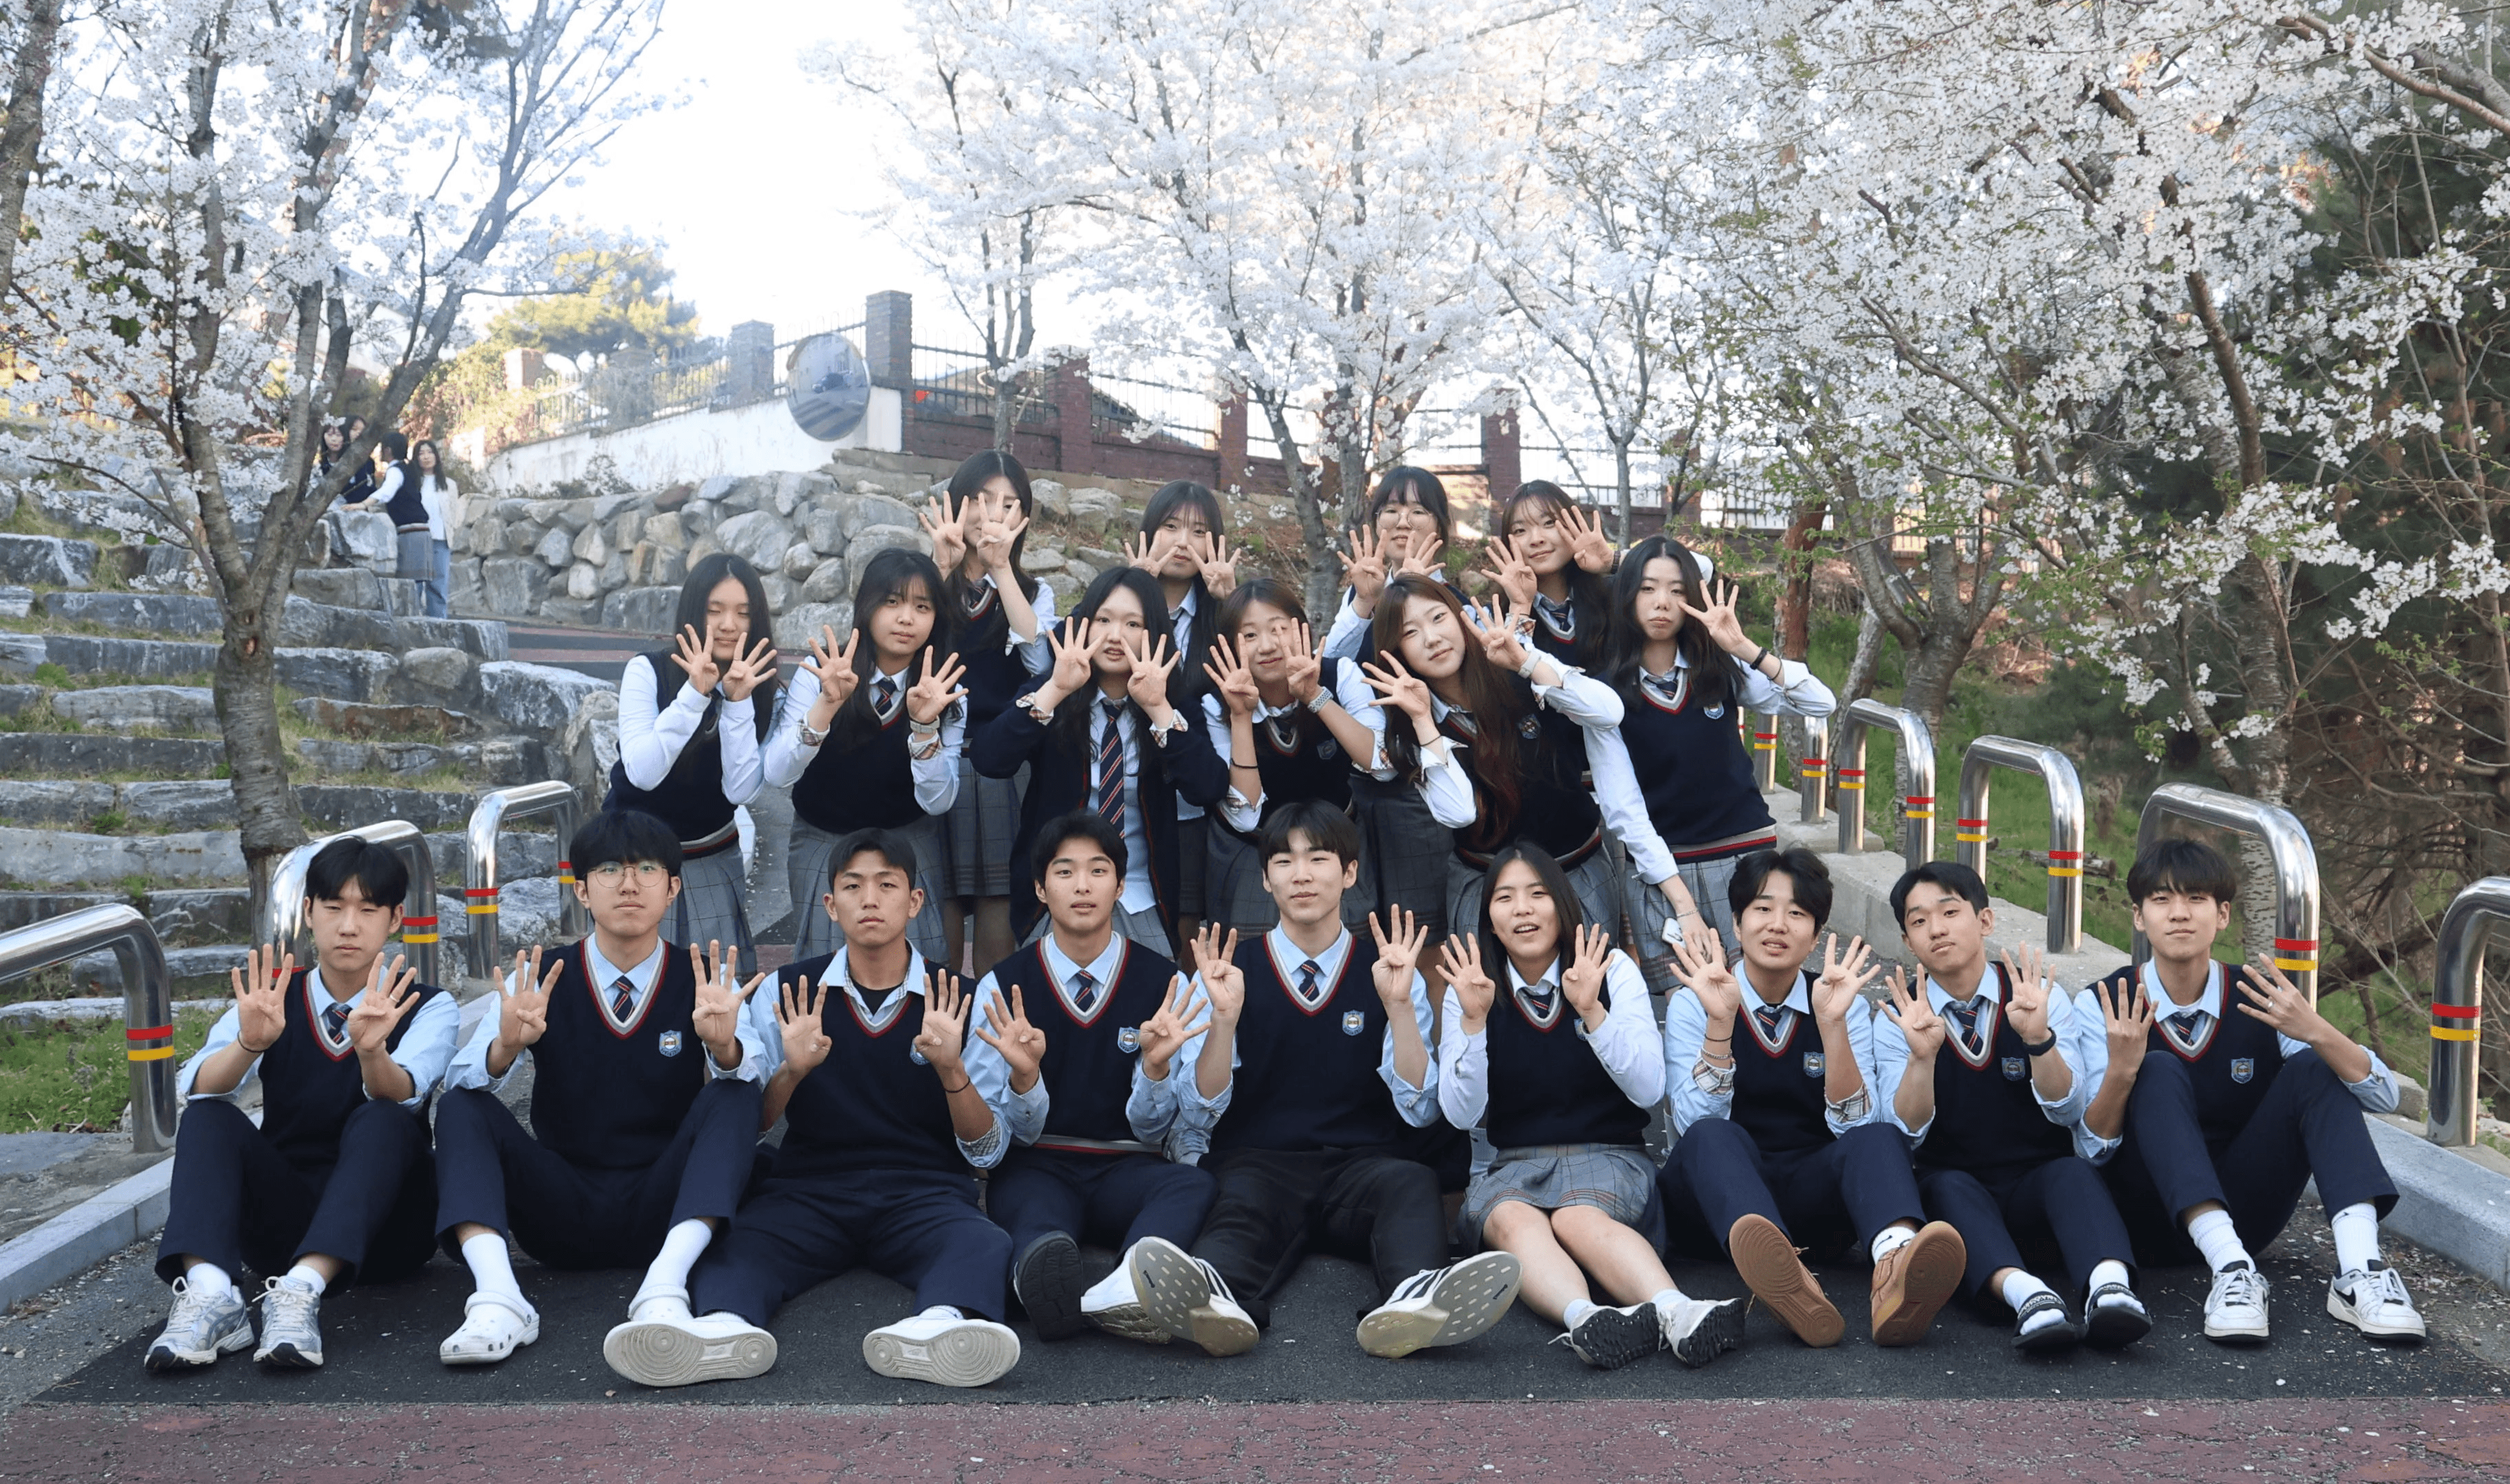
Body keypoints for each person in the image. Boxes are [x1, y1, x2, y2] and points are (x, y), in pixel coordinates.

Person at [611, 827, 1034, 1388]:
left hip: (923, 1191)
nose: (870, 899)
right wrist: (792, 1071)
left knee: (985, 1242)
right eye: (853, 886)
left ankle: (939, 1326)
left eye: (887, 885)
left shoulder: (958, 997)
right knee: (736, 1247)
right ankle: (723, 1330)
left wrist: (952, 1070)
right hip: (811, 1188)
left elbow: (989, 1150)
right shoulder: (787, 992)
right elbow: (750, 1127)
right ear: (831, 905)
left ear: (914, 902)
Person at [1144, 801, 1523, 1359]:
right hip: (1259, 1158)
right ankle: (1217, 1301)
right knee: (1237, 1204)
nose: (1301, 875)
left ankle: (1413, 1298)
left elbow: (1420, 1107)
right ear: (1266, 878)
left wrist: (1397, 1006)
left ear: (1349, 873)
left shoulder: (1389, 968)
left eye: (1318, 858)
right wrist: (1224, 1022)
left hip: (1361, 1163)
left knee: (1411, 1182)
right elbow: (1200, 1112)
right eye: (1285, 861)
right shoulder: (1226, 971)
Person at [430, 810, 767, 1367]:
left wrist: (723, 1047)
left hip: (668, 1206)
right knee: (463, 1106)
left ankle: (665, 1289)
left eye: (647, 869)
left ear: (673, 888)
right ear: (583, 890)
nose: (629, 884)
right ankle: (498, 1297)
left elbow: (752, 1079)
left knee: (735, 1092)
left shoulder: (704, 978)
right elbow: (463, 1077)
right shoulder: (540, 976)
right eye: (610, 869)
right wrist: (507, 1046)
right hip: (562, 1204)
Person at [2077, 838, 2419, 1344]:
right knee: (2156, 1069)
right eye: (2162, 900)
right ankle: (2231, 1272)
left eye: (2196, 900)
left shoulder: (2260, 997)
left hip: (2248, 1214)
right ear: (2138, 916)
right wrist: (2122, 1071)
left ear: (2223, 916)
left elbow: (2383, 1098)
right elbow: (2091, 1148)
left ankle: (2360, 1271)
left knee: (2318, 1068)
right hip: (2147, 1219)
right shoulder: (2105, 1002)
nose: (2179, 915)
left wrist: (2317, 1031)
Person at [145, 838, 456, 1372]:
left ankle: (303, 1293)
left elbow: (404, 1094)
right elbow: (197, 1085)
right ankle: (213, 1294)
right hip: (281, 1230)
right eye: (333, 908)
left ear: (396, 918)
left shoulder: (428, 1005)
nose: (349, 926)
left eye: (367, 910)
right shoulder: (272, 999)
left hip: (387, 1232)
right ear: (308, 912)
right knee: (210, 1115)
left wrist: (371, 1049)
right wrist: (250, 1044)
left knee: (384, 1117)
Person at [1437, 842, 1746, 1370]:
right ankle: (1588, 1320)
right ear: (1488, 916)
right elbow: (1461, 1114)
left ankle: (1679, 1311)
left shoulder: (1611, 968)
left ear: (1563, 903)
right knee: (1510, 1217)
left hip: (1609, 1156)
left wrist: (1592, 1013)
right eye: (1506, 898)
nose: (1523, 910)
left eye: (1538, 894)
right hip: (1516, 1164)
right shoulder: (1473, 985)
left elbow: (1649, 1090)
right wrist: (1472, 1023)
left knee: (1577, 1216)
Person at [1657, 848, 1967, 1349]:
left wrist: (1832, 1026)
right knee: (1713, 1135)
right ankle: (1786, 1278)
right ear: (1736, 925)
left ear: (1816, 936)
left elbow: (1856, 1130)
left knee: (1880, 1135)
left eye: (1797, 913)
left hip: (1812, 1202)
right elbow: (1692, 1125)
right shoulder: (1698, 1000)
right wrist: (1721, 1024)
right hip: (1720, 1213)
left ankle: (1896, 1269)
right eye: (1762, 909)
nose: (1778, 924)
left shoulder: (1841, 1004)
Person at [1872, 862, 2149, 1351]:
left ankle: (2111, 1291)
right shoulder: (1902, 1015)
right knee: (1945, 1187)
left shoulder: (2036, 995)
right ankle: (2030, 1299)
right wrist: (1921, 1058)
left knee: (2073, 1173)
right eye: (1918, 922)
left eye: (1950, 912)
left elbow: (2069, 1112)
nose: (1936, 928)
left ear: (1985, 921)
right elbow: (1904, 1134)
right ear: (1907, 940)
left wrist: (2038, 1040)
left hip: (2037, 1193)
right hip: (1958, 1203)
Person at [976, 812, 1219, 1342]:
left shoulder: (1166, 982)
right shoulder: (1001, 987)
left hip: (1127, 1167)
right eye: (1064, 873)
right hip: (1041, 1164)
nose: (1082, 886)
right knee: (1037, 1224)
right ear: (1041, 888)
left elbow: (1157, 1134)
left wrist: (1154, 1069)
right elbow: (1000, 1139)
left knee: (1192, 1184)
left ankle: (1133, 1282)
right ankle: (1038, 1281)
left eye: (1098, 870)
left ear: (1120, 885)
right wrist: (1025, 1078)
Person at [1586, 535, 1837, 979]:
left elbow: (1820, 704)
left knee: (1762, 993)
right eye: (1647, 588)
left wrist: (1743, 647)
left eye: (1677, 591)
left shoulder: (1720, 668)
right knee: (1689, 1002)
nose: (1662, 602)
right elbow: (1623, 810)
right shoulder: (1605, 693)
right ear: (1626, 597)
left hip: (1746, 858)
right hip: (1666, 868)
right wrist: (1682, 904)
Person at [968, 566, 1228, 958]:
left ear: (1154, 634)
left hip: (1142, 889)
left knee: (1151, 1003)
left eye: (1133, 623)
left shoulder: (1173, 701)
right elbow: (990, 758)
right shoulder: (1054, 689)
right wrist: (1056, 688)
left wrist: (1158, 707)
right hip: (1055, 891)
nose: (1114, 635)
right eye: (1103, 620)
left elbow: (1207, 787)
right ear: (1084, 625)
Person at [1363, 574, 1625, 952]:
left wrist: (1526, 660)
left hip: (1575, 867)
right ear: (1395, 651)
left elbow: (1608, 713)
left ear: (1461, 617)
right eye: (1410, 633)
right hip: (1486, 884)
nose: (1432, 638)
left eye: (1439, 618)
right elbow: (1459, 813)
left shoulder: (1515, 668)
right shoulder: (1408, 728)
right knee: (1488, 1000)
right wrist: (1423, 720)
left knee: (1591, 994)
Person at [765, 548, 965, 968]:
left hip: (908, 843)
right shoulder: (821, 673)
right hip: (824, 839)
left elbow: (939, 801)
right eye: (892, 602)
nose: (906, 618)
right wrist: (825, 706)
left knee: (918, 972)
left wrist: (924, 727)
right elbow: (778, 774)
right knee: (819, 971)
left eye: (922, 606)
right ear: (866, 606)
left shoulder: (943, 688)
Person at [605, 554, 779, 976]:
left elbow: (740, 790)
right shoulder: (647, 671)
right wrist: (695, 695)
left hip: (712, 854)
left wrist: (737, 703)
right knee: (635, 984)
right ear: (692, 612)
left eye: (743, 612)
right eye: (714, 610)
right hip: (634, 856)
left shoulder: (762, 685)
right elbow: (643, 772)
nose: (728, 624)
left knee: (715, 992)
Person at [922, 450, 1056, 980]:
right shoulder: (930, 579)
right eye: (980, 500)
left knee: (999, 926)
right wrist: (941, 570)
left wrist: (1001, 570)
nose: (990, 514)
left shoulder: (1031, 590)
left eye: (1008, 503)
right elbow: (912, 648)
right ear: (959, 501)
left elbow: (1039, 659)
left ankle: (994, 1046)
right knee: (942, 921)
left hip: (1001, 766)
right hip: (936, 762)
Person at [1320, 468, 1462, 940]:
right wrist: (1366, 601)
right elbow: (1327, 665)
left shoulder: (1453, 604)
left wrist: (1415, 600)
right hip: (1358, 790)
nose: (1404, 521)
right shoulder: (1362, 593)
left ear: (1439, 527)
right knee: (1363, 930)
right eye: (1392, 510)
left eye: (1419, 510)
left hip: (1418, 786)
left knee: (1422, 933)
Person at [1200, 578, 1379, 933]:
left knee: (1354, 953)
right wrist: (1240, 717)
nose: (1266, 646)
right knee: (1256, 963)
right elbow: (1245, 815)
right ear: (1229, 645)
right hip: (1259, 851)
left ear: (1301, 630)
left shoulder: (1338, 674)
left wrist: (1315, 696)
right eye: (1249, 636)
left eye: (1279, 629)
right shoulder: (1215, 704)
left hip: (1338, 844)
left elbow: (1379, 761)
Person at [1128, 479, 1241, 963]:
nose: (1182, 542)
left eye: (1198, 531)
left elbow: (1246, 680)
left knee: (1190, 927)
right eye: (1170, 527)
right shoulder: (1120, 606)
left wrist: (1227, 603)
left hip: (1195, 799)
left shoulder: (1222, 611)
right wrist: (1136, 592)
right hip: (1130, 788)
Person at [1481, 481, 1616, 672]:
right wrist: (1520, 611)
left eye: (1549, 523)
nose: (1537, 539)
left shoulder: (1615, 597)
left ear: (1574, 526)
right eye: (1520, 530)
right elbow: (1511, 687)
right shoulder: (1496, 619)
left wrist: (1611, 561)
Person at [409, 439, 457, 619]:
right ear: (416, 458)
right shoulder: (412, 482)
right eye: (421, 453)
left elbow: (454, 512)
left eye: (429, 452)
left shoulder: (449, 484)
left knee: (438, 586)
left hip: (441, 540)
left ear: (436, 456)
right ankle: (413, 626)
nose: (426, 457)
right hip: (416, 539)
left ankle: (439, 627)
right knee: (414, 586)